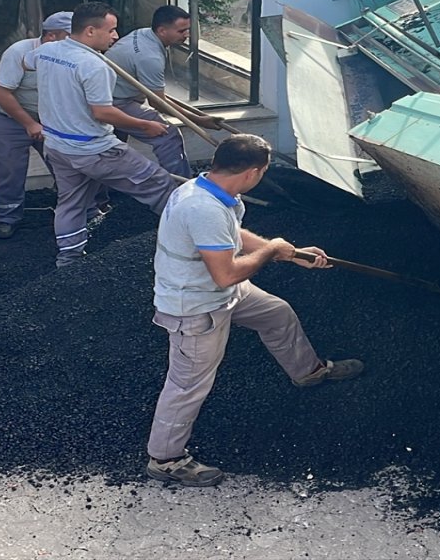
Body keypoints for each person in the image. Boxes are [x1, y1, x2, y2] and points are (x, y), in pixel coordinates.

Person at [145, 134, 364, 487]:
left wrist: (290, 253)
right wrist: (272, 249)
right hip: (196, 307)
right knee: (187, 385)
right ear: (252, 173)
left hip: (220, 292)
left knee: (277, 313)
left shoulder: (211, 189)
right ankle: (166, 459)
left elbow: (232, 235)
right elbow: (226, 272)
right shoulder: (202, 208)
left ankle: (309, 372)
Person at [29, 1, 179, 267]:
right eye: (111, 30)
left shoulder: (47, 51)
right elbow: (103, 113)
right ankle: (188, 241)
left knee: (71, 202)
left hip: (58, 146)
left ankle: (69, 258)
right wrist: (146, 125)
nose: (116, 37)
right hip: (95, 150)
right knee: (160, 184)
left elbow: (25, 60)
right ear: (89, 31)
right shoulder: (95, 66)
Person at [0, 11, 73, 239]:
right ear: (52, 37)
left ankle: (79, 209)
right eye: (72, 36)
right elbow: (2, 93)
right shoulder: (19, 52)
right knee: (8, 167)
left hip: (50, 118)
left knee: (68, 162)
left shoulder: (74, 55)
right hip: (6, 117)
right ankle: (7, 217)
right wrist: (30, 124)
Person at [104, 5, 220, 178]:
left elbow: (156, 95)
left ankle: (101, 197)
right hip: (115, 101)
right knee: (167, 135)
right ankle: (180, 186)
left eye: (188, 29)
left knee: (111, 147)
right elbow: (158, 103)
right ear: (162, 30)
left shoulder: (142, 33)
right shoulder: (150, 57)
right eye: (181, 31)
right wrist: (199, 120)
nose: (186, 35)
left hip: (114, 93)